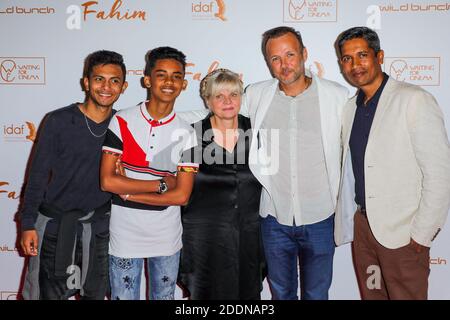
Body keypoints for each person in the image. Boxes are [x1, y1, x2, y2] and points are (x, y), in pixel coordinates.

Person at [179, 26, 348, 300]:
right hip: (273, 218)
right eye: (275, 59)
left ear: (304, 54)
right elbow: (222, 109)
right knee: (281, 294)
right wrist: (161, 118)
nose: (284, 64)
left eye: (290, 54)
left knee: (317, 294)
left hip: (321, 215)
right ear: (268, 63)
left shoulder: (337, 97)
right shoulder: (258, 94)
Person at [334, 26, 450, 300]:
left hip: (403, 233)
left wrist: (421, 234)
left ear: (379, 56)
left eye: (362, 55)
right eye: (347, 59)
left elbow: (440, 173)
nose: (355, 65)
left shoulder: (414, 100)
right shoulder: (350, 108)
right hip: (363, 229)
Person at [20, 50, 128, 300]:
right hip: (55, 228)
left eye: (114, 81)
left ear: (123, 86)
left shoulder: (124, 125)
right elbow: (36, 176)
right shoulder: (58, 120)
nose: (106, 87)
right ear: (86, 82)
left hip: (99, 230)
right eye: (99, 79)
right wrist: (27, 224)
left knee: (97, 295)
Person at [100, 46, 199, 300]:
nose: (169, 82)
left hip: (166, 237)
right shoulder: (122, 120)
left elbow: (182, 197)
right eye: (161, 74)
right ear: (147, 80)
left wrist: (129, 192)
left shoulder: (187, 134)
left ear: (184, 84)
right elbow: (108, 181)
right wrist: (161, 184)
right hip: (124, 235)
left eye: (176, 76)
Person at [177, 69, 265, 300]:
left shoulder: (258, 132)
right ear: (207, 100)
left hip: (249, 235)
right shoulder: (192, 135)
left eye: (233, 94)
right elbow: (178, 186)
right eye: (219, 96)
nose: (228, 101)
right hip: (204, 238)